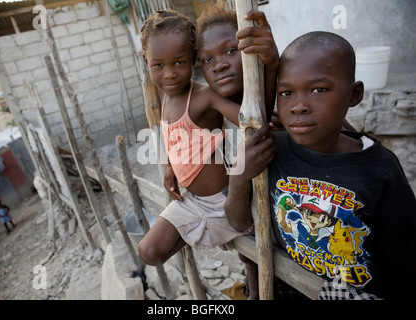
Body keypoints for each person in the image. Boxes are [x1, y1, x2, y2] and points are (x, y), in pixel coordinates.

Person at [224, 31, 416, 300]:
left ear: (354, 94)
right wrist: (238, 178)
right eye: (287, 93)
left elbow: (405, 253)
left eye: (319, 90)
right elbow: (239, 222)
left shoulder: (379, 167)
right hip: (292, 284)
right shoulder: (270, 150)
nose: (299, 106)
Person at [137, 9, 259, 280]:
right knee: (149, 251)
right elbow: (172, 135)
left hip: (225, 200)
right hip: (192, 200)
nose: (169, 74)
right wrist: (169, 165)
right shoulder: (164, 96)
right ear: (146, 61)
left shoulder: (204, 97)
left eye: (178, 63)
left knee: (252, 256)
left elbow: (249, 121)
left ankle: (248, 266)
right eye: (158, 65)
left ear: (192, 59)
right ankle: (204, 232)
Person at [195, 3, 278, 299]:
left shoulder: (289, 100)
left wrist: (272, 64)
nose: (218, 64)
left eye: (232, 50)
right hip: (254, 232)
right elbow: (238, 220)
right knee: (253, 264)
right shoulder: (217, 118)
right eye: (207, 59)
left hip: (297, 238)